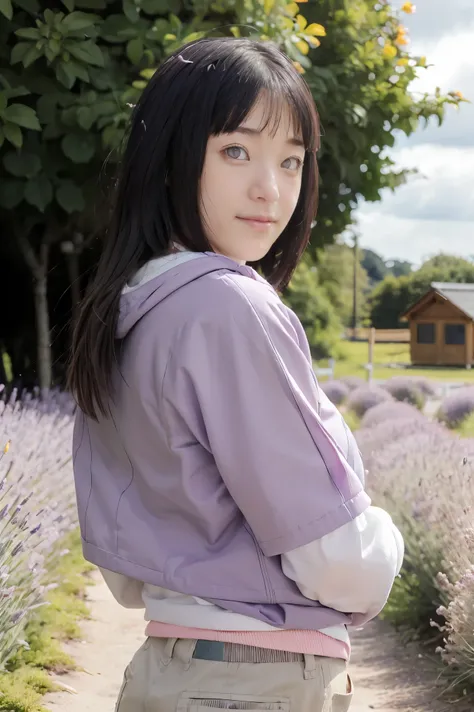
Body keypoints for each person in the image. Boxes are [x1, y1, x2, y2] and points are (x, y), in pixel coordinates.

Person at [68, 36, 404, 712]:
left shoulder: (133, 304)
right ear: (169, 159)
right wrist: (386, 540)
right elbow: (333, 558)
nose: (270, 189)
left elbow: (126, 553)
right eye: (236, 151)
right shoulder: (228, 306)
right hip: (255, 680)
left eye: (291, 161)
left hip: (177, 668)